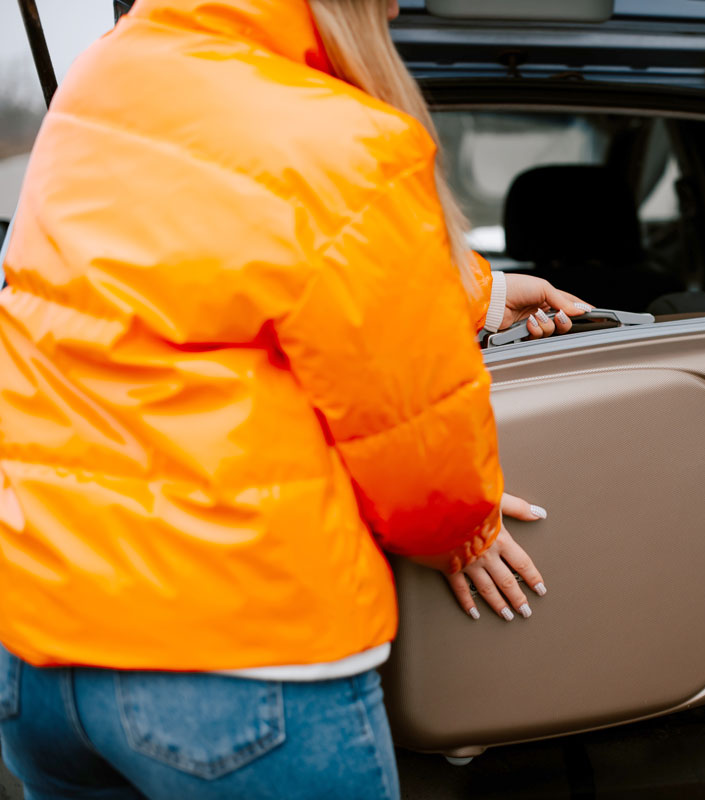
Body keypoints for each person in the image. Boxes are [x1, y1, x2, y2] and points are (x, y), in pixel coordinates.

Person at [0, 0, 590, 797]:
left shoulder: (105, 77)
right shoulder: (345, 138)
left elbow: (206, 272)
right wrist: (469, 525)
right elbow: (426, 474)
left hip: (38, 653)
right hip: (235, 664)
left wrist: (481, 296)